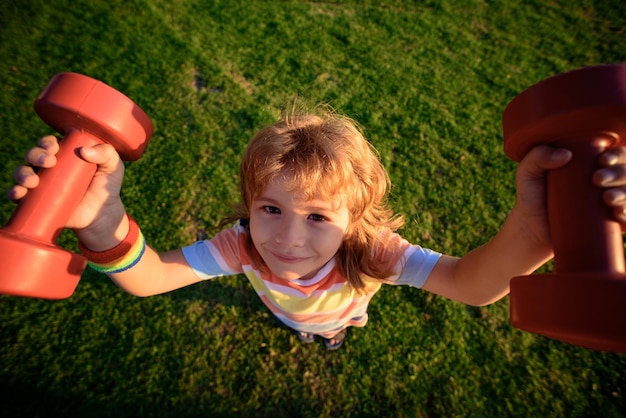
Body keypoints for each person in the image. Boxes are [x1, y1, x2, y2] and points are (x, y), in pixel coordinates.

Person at [8, 108, 626, 350]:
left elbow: (470, 284)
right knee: (296, 319)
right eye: (270, 207)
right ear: (249, 204)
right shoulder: (241, 244)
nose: (287, 239)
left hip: (345, 306)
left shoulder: (372, 253)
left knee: (334, 324)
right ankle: (306, 330)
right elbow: (147, 279)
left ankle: (331, 334)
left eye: (318, 217)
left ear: (354, 220)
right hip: (286, 309)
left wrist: (539, 227)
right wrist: (100, 218)